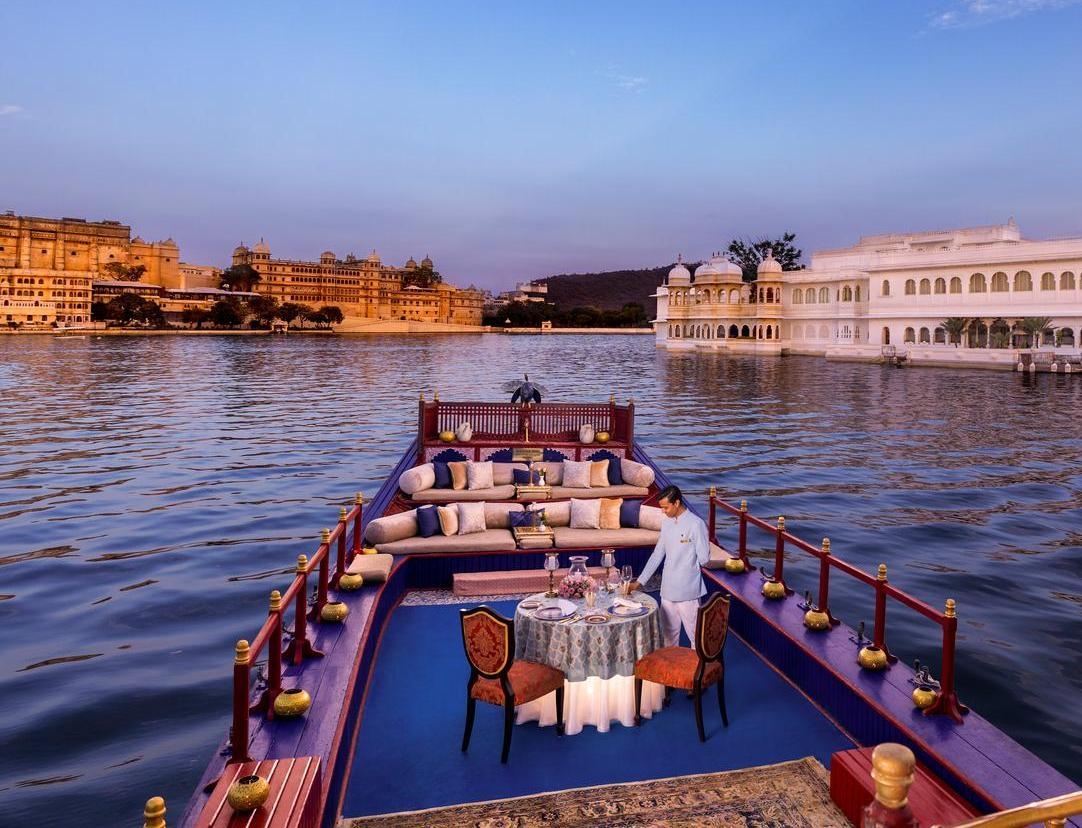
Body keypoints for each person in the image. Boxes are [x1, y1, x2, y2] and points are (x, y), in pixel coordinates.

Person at [628, 485, 709, 648]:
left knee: (696, 637)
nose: (663, 511)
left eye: (665, 507)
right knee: (668, 636)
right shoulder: (667, 523)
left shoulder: (696, 524)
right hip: (668, 590)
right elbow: (657, 555)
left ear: (677, 503)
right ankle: (671, 671)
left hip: (688, 591)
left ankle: (698, 671)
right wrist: (640, 582)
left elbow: (704, 559)